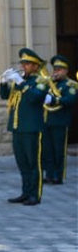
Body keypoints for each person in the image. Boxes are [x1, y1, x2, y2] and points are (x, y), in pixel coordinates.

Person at [0, 48, 48, 205]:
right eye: (23, 63)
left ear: (36, 66)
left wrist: (21, 82)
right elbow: (5, 96)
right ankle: (25, 192)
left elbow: (35, 98)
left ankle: (35, 194)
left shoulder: (40, 81)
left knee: (34, 163)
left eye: (27, 64)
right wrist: (4, 82)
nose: (23, 66)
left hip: (32, 128)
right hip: (18, 127)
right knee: (23, 163)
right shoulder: (19, 81)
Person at [42, 54, 77, 184]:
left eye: (60, 69)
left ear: (66, 71)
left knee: (59, 150)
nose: (56, 72)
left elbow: (70, 100)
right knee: (48, 150)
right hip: (47, 120)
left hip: (60, 121)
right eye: (55, 69)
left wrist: (54, 100)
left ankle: (58, 175)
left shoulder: (70, 85)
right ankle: (49, 174)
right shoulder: (49, 83)